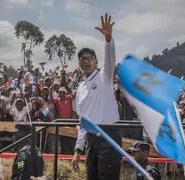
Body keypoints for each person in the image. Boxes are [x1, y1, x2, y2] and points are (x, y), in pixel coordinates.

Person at [71, 13, 122, 180]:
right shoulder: (80, 88)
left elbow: (110, 59)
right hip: (91, 140)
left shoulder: (104, 77)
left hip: (109, 137)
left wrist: (108, 40)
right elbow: (82, 121)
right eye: (81, 59)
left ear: (95, 61)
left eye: (88, 58)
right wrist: (78, 150)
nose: (84, 61)